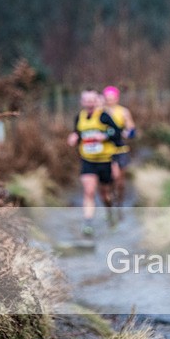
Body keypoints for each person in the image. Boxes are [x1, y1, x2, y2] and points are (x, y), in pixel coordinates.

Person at [66, 89, 121, 236]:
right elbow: (77, 132)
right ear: (82, 102)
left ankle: (109, 211)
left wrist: (104, 135)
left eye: (92, 100)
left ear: (96, 101)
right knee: (88, 191)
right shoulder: (80, 117)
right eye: (86, 100)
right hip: (88, 160)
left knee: (105, 195)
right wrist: (74, 137)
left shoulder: (104, 116)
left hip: (105, 160)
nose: (89, 103)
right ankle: (88, 223)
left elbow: (116, 132)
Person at [102, 85, 136, 211]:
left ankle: (120, 203)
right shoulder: (100, 112)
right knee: (112, 176)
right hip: (106, 150)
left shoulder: (123, 112)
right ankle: (110, 198)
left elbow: (132, 129)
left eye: (112, 98)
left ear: (117, 98)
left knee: (120, 181)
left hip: (121, 150)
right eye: (107, 98)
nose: (109, 100)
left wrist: (129, 133)